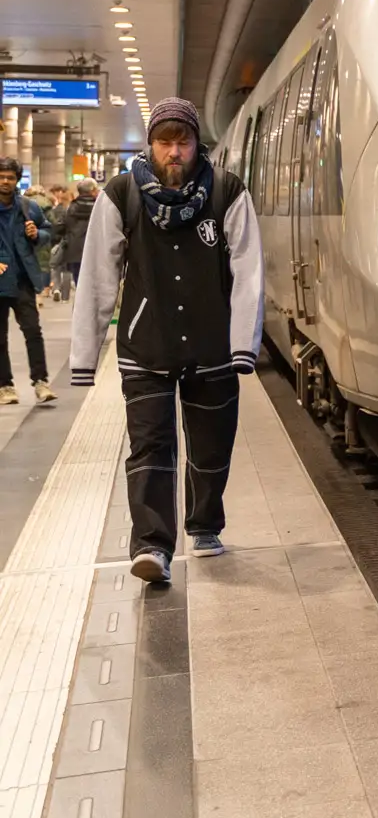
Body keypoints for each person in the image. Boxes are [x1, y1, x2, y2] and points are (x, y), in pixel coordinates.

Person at [70, 98, 263, 585]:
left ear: (197, 144)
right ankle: (152, 546)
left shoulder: (227, 192)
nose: (174, 152)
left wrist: (243, 342)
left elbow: (248, 272)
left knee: (211, 447)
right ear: (150, 144)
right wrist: (84, 356)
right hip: (146, 345)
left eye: (183, 142)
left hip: (212, 346)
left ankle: (204, 525)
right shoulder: (120, 194)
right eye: (165, 142)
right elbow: (97, 274)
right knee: (150, 447)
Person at [0, 158, 55, 404]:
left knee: (33, 331)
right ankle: (5, 386)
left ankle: (41, 381)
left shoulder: (28, 207)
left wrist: (37, 234)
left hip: (22, 280)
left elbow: (48, 231)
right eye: (1, 176)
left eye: (10, 177)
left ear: (17, 180)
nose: (5, 181)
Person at [57, 179, 97, 302]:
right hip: (96, 249)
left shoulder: (72, 207)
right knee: (95, 282)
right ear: (92, 190)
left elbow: (62, 226)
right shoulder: (99, 206)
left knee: (79, 280)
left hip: (75, 249)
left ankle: (81, 306)